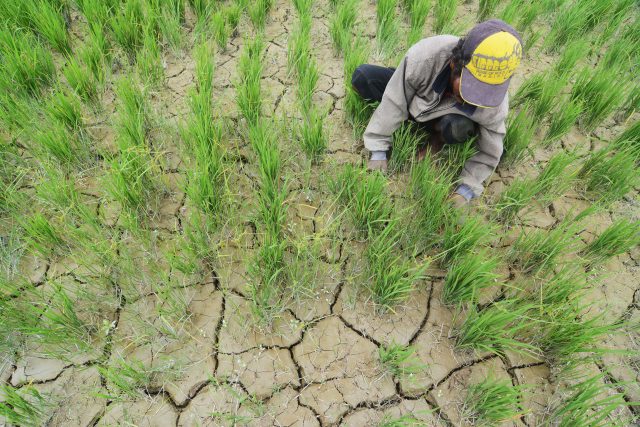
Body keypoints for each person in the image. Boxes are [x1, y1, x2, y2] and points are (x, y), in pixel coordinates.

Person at [351, 19, 523, 206]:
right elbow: (395, 98)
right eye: (470, 87)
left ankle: (436, 140)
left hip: (448, 119)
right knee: (364, 77)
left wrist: (465, 192)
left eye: (483, 92)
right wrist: (378, 151)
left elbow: (491, 150)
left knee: (458, 126)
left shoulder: (495, 101)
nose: (471, 98)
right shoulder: (425, 56)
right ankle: (408, 123)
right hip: (416, 100)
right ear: (454, 64)